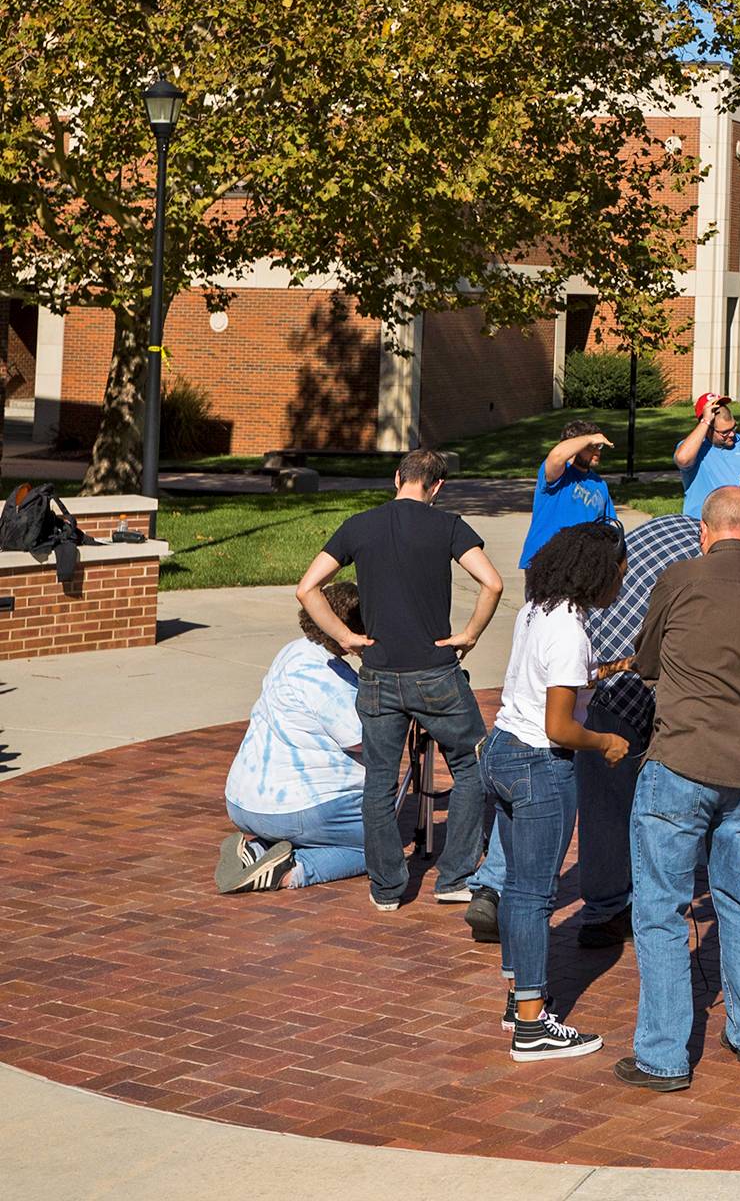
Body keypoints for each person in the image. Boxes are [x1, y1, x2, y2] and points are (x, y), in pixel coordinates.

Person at [462, 499, 740, 948]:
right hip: (605, 675)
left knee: (527, 794)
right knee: (602, 804)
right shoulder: (705, 571)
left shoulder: (676, 524)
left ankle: (493, 888)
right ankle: (604, 910)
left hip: (577, 647)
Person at [614, 486, 740, 1091]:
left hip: (683, 760)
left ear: (704, 531)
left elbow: (644, 663)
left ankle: (665, 1056)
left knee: (661, 909)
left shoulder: (680, 578)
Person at [295, 448, 504, 911]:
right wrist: (468, 634)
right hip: (436, 672)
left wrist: (346, 636)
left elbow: (306, 588)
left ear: (397, 478)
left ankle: (387, 888)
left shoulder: (359, 526)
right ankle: (454, 877)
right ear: (438, 487)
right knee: (471, 765)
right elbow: (492, 583)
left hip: (378, 673)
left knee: (380, 781)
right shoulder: (448, 526)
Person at [481, 521, 632, 1061]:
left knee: (520, 886)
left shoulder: (539, 608)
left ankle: (519, 998)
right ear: (596, 574)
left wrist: (613, 667)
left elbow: (547, 679)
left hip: (501, 750)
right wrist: (606, 742)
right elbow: (560, 727)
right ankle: (533, 1026)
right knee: (534, 893)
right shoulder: (570, 631)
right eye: (618, 574)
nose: (621, 583)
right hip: (539, 765)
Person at [216, 583, 370, 894]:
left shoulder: (293, 651)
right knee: (382, 846)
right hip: (303, 808)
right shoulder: (330, 679)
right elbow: (363, 740)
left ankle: (257, 851)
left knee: (317, 828)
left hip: (243, 801)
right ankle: (291, 871)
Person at [520, 420, 617, 569]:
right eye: (591, 447)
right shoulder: (559, 473)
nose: (597, 451)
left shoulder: (599, 484)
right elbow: (558, 455)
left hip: (581, 564)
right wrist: (590, 438)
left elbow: (609, 526)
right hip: (547, 560)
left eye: (599, 446)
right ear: (574, 447)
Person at [673, 393, 740, 522]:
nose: (732, 434)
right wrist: (706, 420)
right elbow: (683, 459)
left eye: (733, 427)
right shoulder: (694, 447)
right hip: (702, 525)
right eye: (724, 433)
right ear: (707, 428)